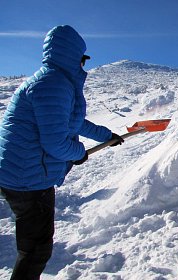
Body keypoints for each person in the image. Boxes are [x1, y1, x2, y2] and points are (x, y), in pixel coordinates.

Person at [0, 25, 124, 279]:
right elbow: (56, 143)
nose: (83, 65)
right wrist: (78, 153)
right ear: (73, 55)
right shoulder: (54, 85)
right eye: (82, 58)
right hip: (28, 180)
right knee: (36, 251)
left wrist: (107, 136)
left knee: (34, 247)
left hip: (23, 174)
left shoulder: (53, 81)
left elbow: (73, 123)